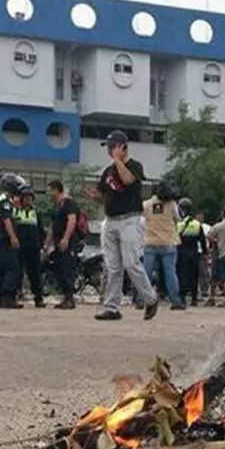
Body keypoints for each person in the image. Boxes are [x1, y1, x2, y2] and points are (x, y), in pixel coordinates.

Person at [84, 130, 159, 321]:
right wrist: (95, 197)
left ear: (122, 147)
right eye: (109, 147)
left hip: (129, 220)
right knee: (112, 266)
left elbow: (128, 180)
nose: (109, 151)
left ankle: (150, 299)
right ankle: (112, 306)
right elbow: (104, 195)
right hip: (110, 220)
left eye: (113, 147)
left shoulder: (134, 166)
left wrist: (118, 161)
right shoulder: (107, 172)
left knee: (131, 263)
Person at [142, 181, 185, 310]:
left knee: (146, 273)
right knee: (170, 273)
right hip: (168, 243)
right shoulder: (172, 204)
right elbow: (179, 219)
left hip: (150, 242)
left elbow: (142, 218)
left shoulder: (146, 204)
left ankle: (141, 299)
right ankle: (175, 301)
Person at [0, 173, 26, 309]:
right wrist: (13, 237)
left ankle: (0, 298)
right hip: (4, 239)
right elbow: (6, 220)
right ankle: (7, 297)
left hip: (0, 240)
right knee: (13, 268)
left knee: (3, 269)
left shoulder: (4, 199)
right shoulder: (5, 200)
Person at [46, 179, 80, 310]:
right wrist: (47, 243)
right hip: (57, 242)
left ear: (56, 189)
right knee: (59, 269)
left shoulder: (68, 203)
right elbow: (52, 226)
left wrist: (66, 238)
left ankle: (70, 299)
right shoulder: (56, 206)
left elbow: (72, 220)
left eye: (50, 190)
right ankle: (65, 297)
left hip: (68, 242)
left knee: (67, 268)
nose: (49, 193)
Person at [14, 185, 46, 308]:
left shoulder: (35, 213)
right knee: (18, 272)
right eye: (25, 198)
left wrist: (42, 245)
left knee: (35, 273)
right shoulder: (16, 211)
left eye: (30, 198)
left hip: (33, 247)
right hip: (20, 246)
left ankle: (39, 298)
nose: (28, 200)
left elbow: (41, 230)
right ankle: (16, 295)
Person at [176, 198, 207, 306]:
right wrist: (204, 253)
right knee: (194, 276)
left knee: (182, 275)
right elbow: (202, 241)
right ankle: (194, 298)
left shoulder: (178, 224)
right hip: (194, 254)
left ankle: (182, 297)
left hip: (181, 253)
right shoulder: (197, 224)